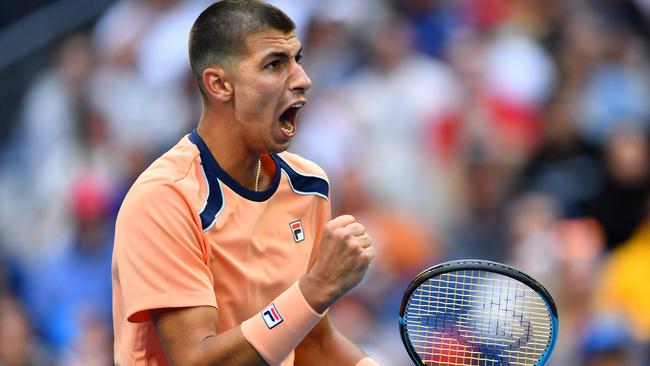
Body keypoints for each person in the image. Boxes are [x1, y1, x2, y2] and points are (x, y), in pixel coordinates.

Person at [111, 1, 378, 365]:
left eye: (298, 59)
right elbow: (196, 360)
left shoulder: (308, 185)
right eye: (275, 64)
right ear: (220, 84)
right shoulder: (164, 199)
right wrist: (316, 288)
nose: (302, 79)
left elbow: (312, 342)